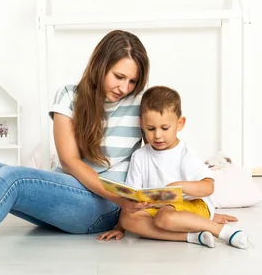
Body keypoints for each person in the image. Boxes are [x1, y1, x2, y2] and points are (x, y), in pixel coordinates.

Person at [0, 30, 237, 270]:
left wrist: (196, 208)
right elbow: (68, 161)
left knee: (11, 177)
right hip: (74, 195)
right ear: (100, 65)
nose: (125, 87)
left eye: (132, 81)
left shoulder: (141, 106)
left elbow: (169, 146)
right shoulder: (68, 96)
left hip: (103, 209)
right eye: (119, 76)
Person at [96, 86, 247, 249]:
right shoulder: (139, 156)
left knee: (164, 217)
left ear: (180, 123)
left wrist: (181, 186)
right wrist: (120, 228)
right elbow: (133, 196)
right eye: (151, 129)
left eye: (165, 128)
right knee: (128, 220)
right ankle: (191, 236)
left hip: (193, 205)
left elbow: (208, 187)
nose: (158, 135)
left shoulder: (184, 152)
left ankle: (221, 231)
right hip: (158, 208)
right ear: (142, 124)